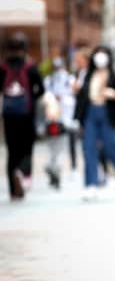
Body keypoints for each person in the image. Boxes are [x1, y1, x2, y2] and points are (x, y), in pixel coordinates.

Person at [74, 46, 115, 200]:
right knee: (88, 148)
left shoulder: (114, 75)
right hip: (90, 113)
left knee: (111, 147)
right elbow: (83, 96)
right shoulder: (89, 74)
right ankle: (91, 184)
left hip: (107, 113)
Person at [0, 33, 44, 200]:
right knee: (27, 148)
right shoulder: (31, 67)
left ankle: (13, 191)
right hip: (27, 113)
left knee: (12, 151)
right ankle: (23, 173)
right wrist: (30, 96)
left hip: (9, 115)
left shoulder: (2, 68)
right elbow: (41, 90)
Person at [43, 54, 75, 188]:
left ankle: (55, 169)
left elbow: (72, 99)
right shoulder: (48, 81)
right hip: (51, 120)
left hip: (64, 120)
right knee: (53, 147)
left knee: (61, 148)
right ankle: (52, 167)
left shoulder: (69, 80)